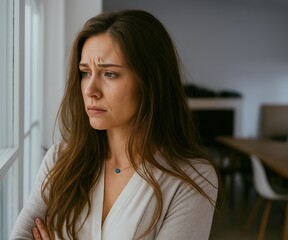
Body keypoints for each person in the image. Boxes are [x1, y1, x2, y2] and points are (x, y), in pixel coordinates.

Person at [10, 9, 218, 240]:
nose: (90, 90)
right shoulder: (60, 159)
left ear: (150, 81)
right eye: (85, 73)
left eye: (109, 74)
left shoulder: (193, 178)